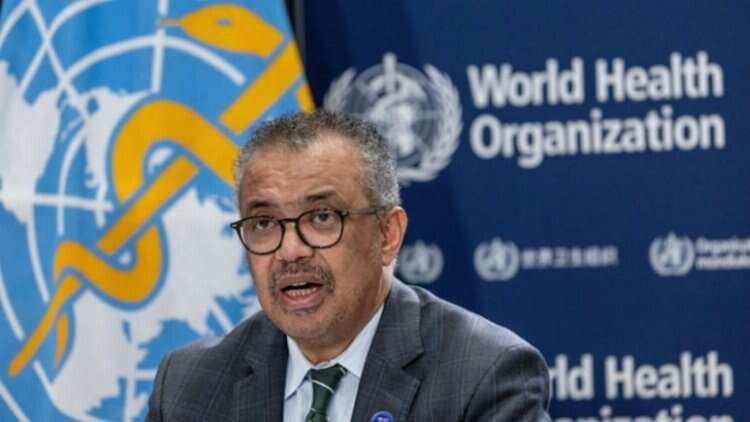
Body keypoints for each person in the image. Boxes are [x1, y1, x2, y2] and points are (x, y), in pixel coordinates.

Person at [147, 111, 551, 421]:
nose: (290, 251)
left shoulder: (482, 376)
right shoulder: (190, 386)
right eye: (264, 223)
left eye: (322, 217)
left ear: (387, 235)